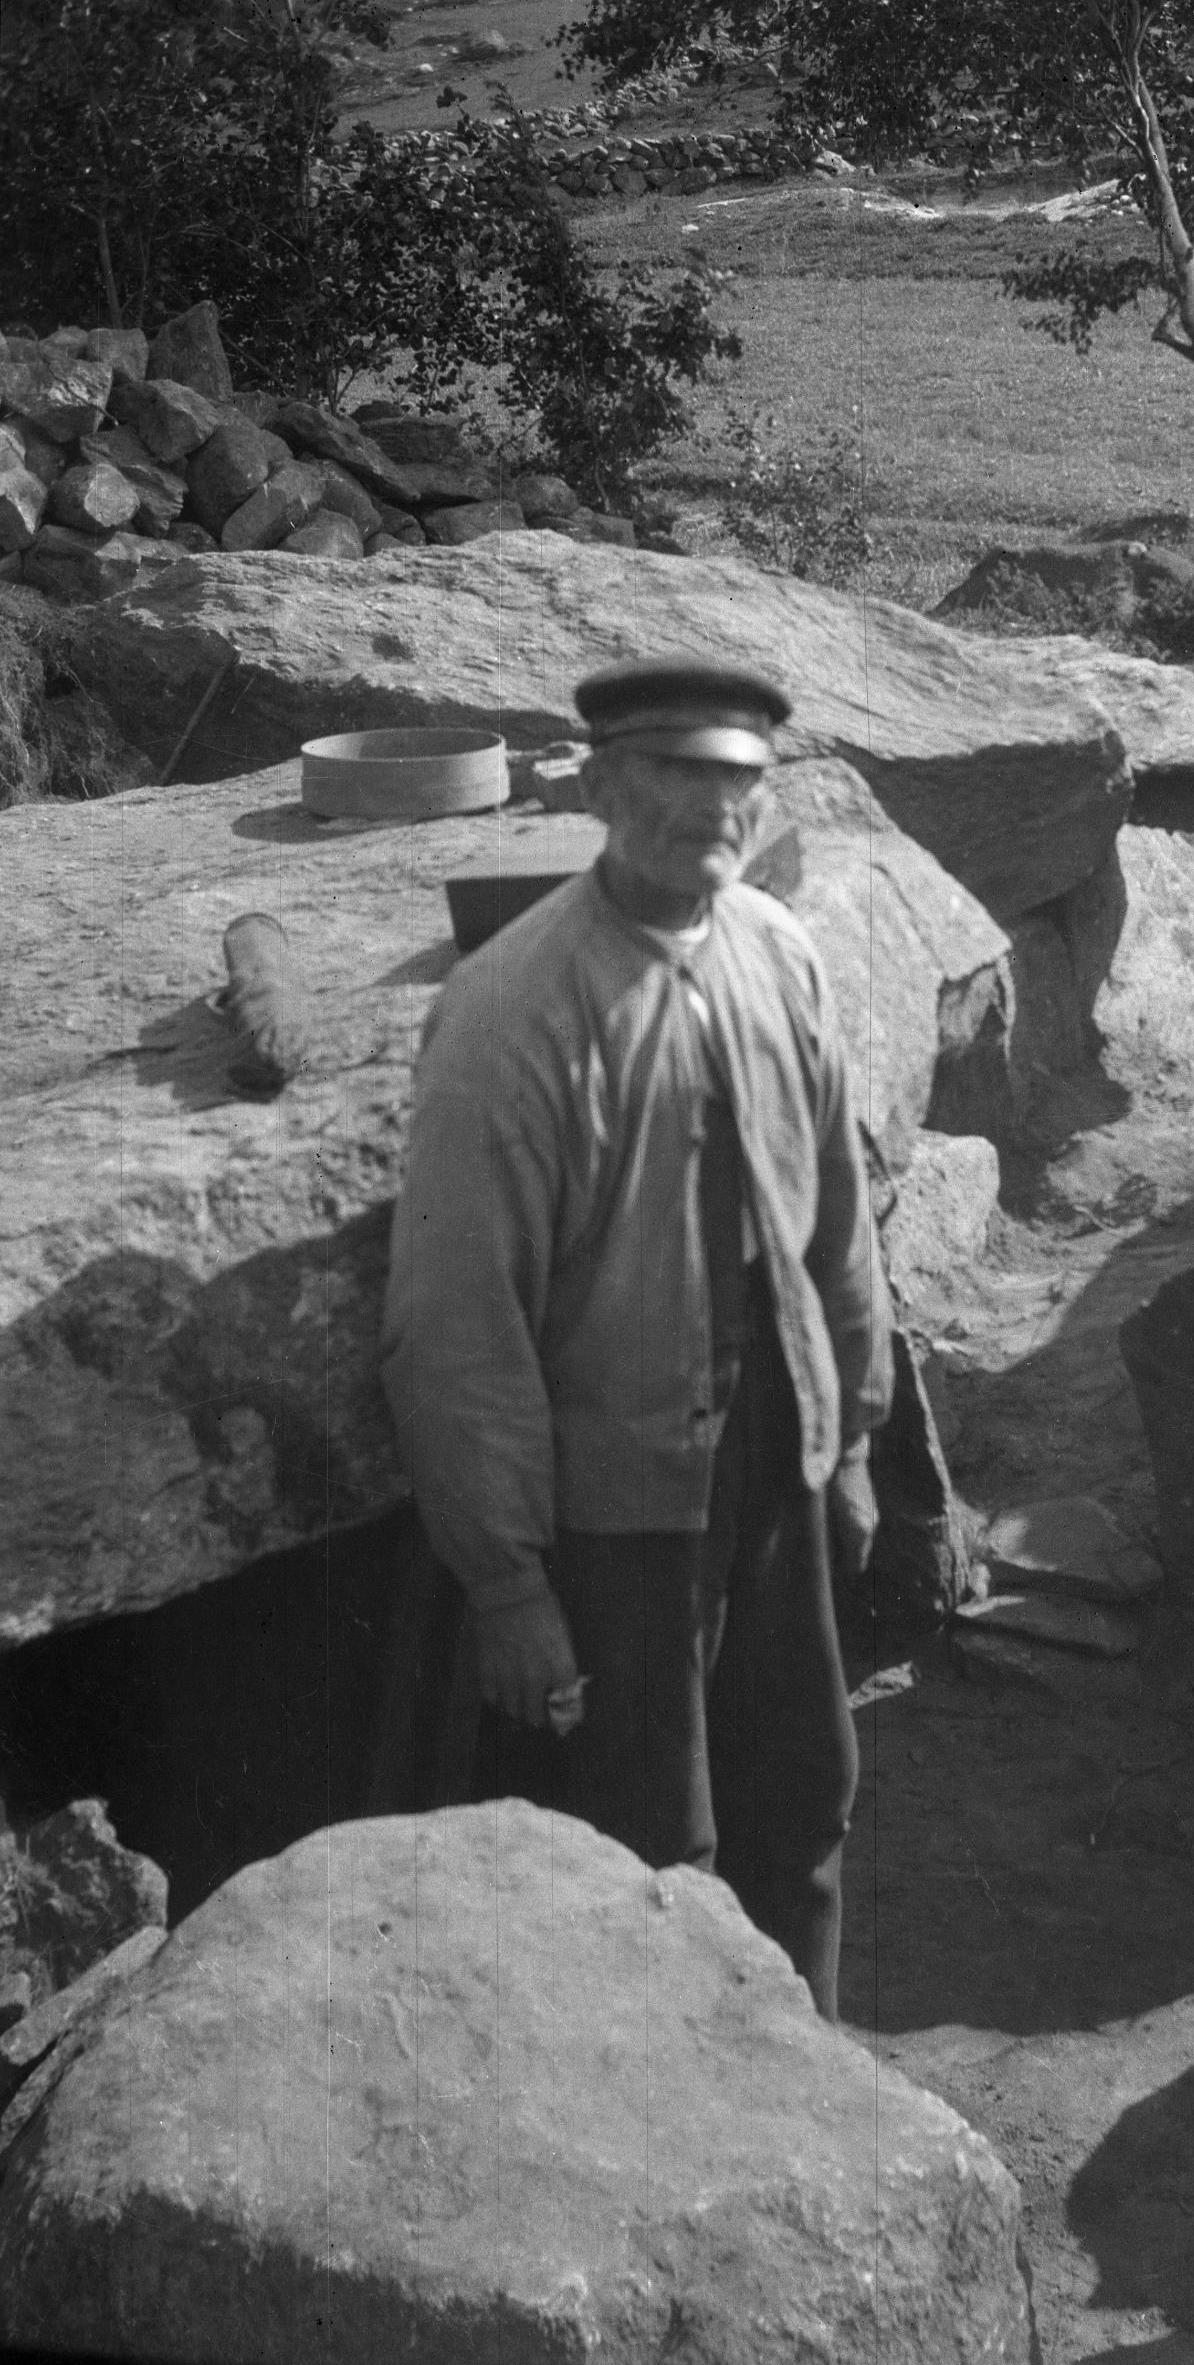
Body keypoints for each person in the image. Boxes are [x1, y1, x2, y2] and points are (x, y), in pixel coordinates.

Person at [380, 659, 893, 2021]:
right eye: (673, 773)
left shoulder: (775, 952)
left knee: (804, 1789)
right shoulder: (510, 1012)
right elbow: (455, 1326)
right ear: (600, 788)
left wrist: (851, 1440)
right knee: (656, 1844)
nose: (708, 807)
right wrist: (508, 1587)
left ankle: (813, 2086)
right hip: (619, 1506)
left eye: (736, 779)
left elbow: (835, 1220)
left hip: (773, 1449)